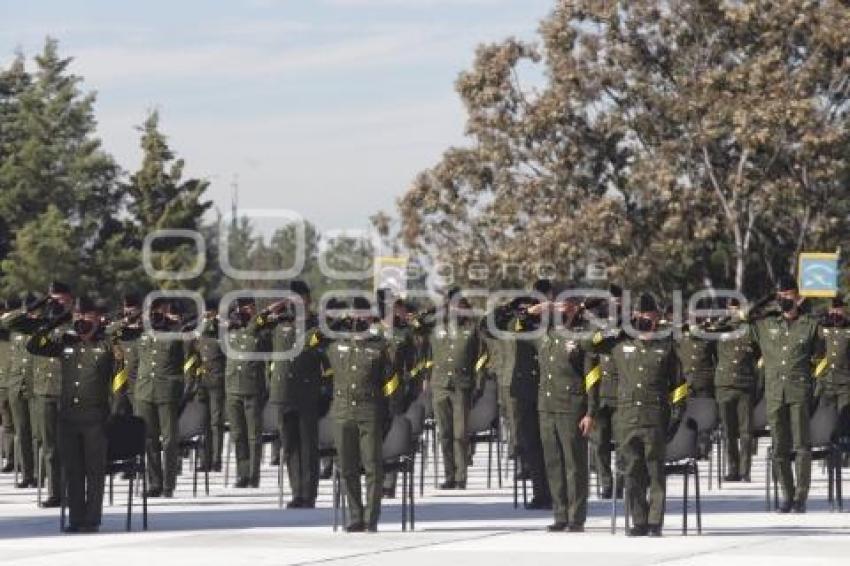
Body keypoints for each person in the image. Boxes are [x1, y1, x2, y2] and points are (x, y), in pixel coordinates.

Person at [592, 293, 685, 537]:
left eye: (652, 318)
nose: (648, 323)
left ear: (658, 319)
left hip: (655, 418)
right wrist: (622, 328)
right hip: (627, 419)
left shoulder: (666, 347)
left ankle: (655, 522)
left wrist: (676, 415)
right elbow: (590, 343)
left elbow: (679, 385)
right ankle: (639, 521)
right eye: (643, 318)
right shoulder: (620, 344)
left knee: (655, 472)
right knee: (632, 472)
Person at [27, 296, 113, 533]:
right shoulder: (66, 343)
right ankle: (76, 519)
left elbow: (118, 382)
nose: (81, 320)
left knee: (94, 471)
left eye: (86, 316)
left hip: (95, 418)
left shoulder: (107, 345)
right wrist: (55, 323)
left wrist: (113, 415)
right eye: (77, 316)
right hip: (68, 418)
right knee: (73, 470)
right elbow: (33, 346)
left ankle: (92, 519)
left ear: (96, 318)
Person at [325, 297, 399, 532]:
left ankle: (371, 518)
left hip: (370, 412)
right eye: (354, 313)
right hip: (343, 412)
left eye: (363, 313)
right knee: (347, 467)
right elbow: (311, 338)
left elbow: (392, 383)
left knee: (372, 467)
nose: (358, 317)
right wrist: (339, 321)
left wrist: (388, 414)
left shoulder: (381, 346)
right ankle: (355, 516)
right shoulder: (334, 342)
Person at [753, 274, 822, 513]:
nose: (783, 300)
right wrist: (768, 299)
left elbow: (821, 360)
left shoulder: (811, 325)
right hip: (774, 394)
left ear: (798, 298)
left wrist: (816, 390)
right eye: (780, 297)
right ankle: (787, 494)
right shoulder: (765, 324)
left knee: (802, 445)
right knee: (779, 446)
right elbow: (746, 317)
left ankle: (801, 497)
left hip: (799, 393)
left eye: (787, 296)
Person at [533, 296, 595, 531]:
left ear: (572, 309)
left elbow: (592, 379)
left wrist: (591, 412)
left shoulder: (583, 335)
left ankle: (576, 517)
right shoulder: (543, 334)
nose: (556, 310)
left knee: (574, 464)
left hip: (572, 407)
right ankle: (560, 514)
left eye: (562, 307)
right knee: (553, 462)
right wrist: (534, 309)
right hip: (547, 406)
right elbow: (502, 325)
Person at [266, 281, 324, 508]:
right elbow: (255, 325)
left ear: (308, 300)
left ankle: (308, 494)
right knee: (289, 445)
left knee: (308, 446)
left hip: (307, 392)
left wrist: (325, 391)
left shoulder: (317, 324)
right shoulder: (280, 322)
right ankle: (296, 492)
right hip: (283, 393)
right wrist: (277, 306)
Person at [420, 288, 483, 490]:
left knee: (460, 433)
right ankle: (449, 475)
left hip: (462, 385)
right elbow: (418, 324)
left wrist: (478, 386)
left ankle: (461, 476)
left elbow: (480, 359)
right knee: (444, 433)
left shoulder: (472, 329)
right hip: (439, 385)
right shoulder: (436, 326)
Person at [134, 298, 186, 498]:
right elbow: (115, 333)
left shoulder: (177, 333)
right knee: (149, 439)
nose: (156, 315)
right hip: (145, 391)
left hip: (167, 393)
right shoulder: (141, 332)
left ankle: (168, 484)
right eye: (152, 311)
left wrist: (174, 323)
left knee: (170, 440)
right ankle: (154, 483)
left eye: (159, 311)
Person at [222, 296, 274, 488]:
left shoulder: (262, 332)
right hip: (232, 388)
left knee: (254, 435)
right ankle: (242, 474)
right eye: (246, 308)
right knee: (238, 434)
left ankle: (254, 475)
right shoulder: (229, 330)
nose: (250, 311)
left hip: (253, 388)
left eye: (252, 308)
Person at [714, 297, 760, 482]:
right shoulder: (721, 329)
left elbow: (758, 350)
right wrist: (724, 319)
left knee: (746, 431)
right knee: (728, 431)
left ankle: (744, 470)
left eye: (737, 309)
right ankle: (733, 469)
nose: (734, 312)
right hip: (724, 385)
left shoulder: (749, 329)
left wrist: (746, 320)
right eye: (731, 309)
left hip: (744, 385)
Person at [1, 292, 41, 488]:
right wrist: (24, 311)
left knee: (36, 433)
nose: (33, 315)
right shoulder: (15, 328)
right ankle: (27, 474)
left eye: (36, 311)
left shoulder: (42, 327)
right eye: (30, 311)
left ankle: (39, 472)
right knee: (22, 431)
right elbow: (6, 320)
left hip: (37, 384)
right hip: (16, 385)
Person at [588, 284, 623, 499]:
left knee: (621, 443)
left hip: (621, 394)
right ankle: (606, 482)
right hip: (600, 394)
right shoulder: (594, 324)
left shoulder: (629, 324)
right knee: (599, 443)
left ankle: (620, 483)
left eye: (618, 301)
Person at [817, 296, 850, 419]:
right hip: (825, 381)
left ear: (843, 309)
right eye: (833, 309)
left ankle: (843, 437)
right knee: (826, 416)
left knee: (844, 416)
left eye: (838, 308)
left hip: (845, 381)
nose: (835, 312)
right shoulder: (821, 328)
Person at [0, 298, 16, 473]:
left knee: (10, 424)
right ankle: (11, 458)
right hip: (8, 382)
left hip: (7, 382)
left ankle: (11, 458)